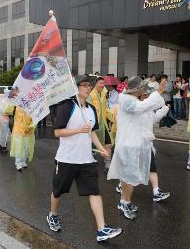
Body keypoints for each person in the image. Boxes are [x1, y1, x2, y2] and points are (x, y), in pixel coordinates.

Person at [47, 75, 122, 242]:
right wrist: (78, 130)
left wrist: (102, 149)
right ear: (77, 88)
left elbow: (92, 132)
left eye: (90, 85)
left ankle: (102, 229)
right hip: (66, 159)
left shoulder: (90, 108)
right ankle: (52, 215)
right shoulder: (67, 106)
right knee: (58, 191)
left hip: (86, 159)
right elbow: (58, 132)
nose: (88, 88)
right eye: (85, 85)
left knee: (94, 192)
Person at [107, 77, 167, 220]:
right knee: (130, 178)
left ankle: (123, 201)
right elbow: (142, 106)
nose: (144, 91)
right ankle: (125, 202)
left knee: (128, 177)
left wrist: (160, 103)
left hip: (132, 145)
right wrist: (158, 92)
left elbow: (146, 109)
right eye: (142, 88)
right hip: (128, 145)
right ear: (136, 89)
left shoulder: (132, 100)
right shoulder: (126, 100)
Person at [88, 76, 113, 172]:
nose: (102, 85)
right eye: (100, 83)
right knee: (91, 145)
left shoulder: (103, 94)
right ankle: (90, 161)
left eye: (103, 83)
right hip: (94, 124)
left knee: (108, 144)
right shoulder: (90, 95)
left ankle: (108, 164)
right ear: (95, 84)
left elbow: (105, 108)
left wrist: (112, 116)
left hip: (103, 124)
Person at [5, 105, 36, 171]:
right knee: (19, 147)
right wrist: (11, 103)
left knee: (26, 147)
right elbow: (7, 111)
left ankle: (23, 162)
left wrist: (30, 127)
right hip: (17, 130)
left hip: (28, 131)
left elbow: (35, 118)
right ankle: (18, 163)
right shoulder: (16, 105)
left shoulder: (32, 106)